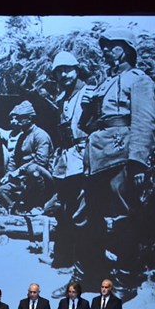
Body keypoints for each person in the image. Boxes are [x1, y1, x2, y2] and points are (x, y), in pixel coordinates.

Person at [77, 29, 155, 298]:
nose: (106, 51)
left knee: (124, 217)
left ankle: (126, 280)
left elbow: (144, 122)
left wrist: (138, 162)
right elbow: (87, 125)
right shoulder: (104, 84)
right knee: (92, 217)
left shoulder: (139, 80)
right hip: (98, 156)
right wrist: (88, 107)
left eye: (111, 46)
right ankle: (91, 276)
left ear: (123, 50)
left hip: (122, 154)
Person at [45, 51, 90, 271]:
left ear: (78, 69)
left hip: (84, 156)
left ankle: (80, 264)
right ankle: (64, 258)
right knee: (64, 209)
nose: (64, 75)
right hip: (66, 158)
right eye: (59, 72)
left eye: (68, 69)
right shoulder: (62, 98)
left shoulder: (90, 93)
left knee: (82, 211)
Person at [0, 100, 54, 214]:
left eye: (20, 118)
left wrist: (18, 172)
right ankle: (15, 209)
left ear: (29, 118)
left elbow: (41, 162)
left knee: (33, 170)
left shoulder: (40, 135)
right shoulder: (22, 136)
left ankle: (39, 205)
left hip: (41, 178)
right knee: (2, 189)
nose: (17, 121)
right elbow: (14, 159)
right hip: (23, 178)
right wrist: (9, 174)